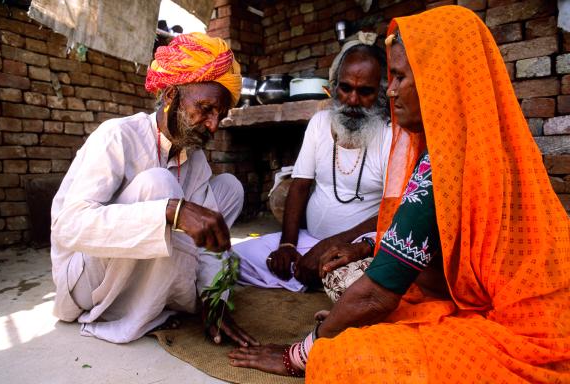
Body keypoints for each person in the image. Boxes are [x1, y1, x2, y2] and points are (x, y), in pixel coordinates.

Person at [228, 6, 570, 382]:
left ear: (437, 81)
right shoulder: (473, 146)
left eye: (399, 78)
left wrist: (302, 353)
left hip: (533, 338)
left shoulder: (444, 163)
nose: (391, 91)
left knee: (348, 359)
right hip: (505, 307)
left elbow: (377, 295)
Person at [50, 32, 258, 346]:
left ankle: (168, 297)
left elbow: (205, 244)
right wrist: (171, 211)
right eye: (204, 109)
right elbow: (69, 228)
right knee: (160, 185)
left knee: (229, 188)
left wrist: (215, 297)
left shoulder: (195, 159)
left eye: (220, 115)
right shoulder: (118, 136)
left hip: (134, 273)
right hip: (86, 284)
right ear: (172, 95)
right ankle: (135, 310)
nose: (213, 125)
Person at [233, 33, 392, 292]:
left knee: (365, 279)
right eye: (346, 88)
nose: (352, 100)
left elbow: (392, 212)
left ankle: (319, 277)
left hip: (355, 247)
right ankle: (310, 275)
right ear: (334, 87)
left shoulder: (389, 135)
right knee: (229, 259)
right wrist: (287, 245)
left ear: (381, 94)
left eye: (365, 92)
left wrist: (331, 245)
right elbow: (299, 186)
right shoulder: (320, 124)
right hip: (309, 242)